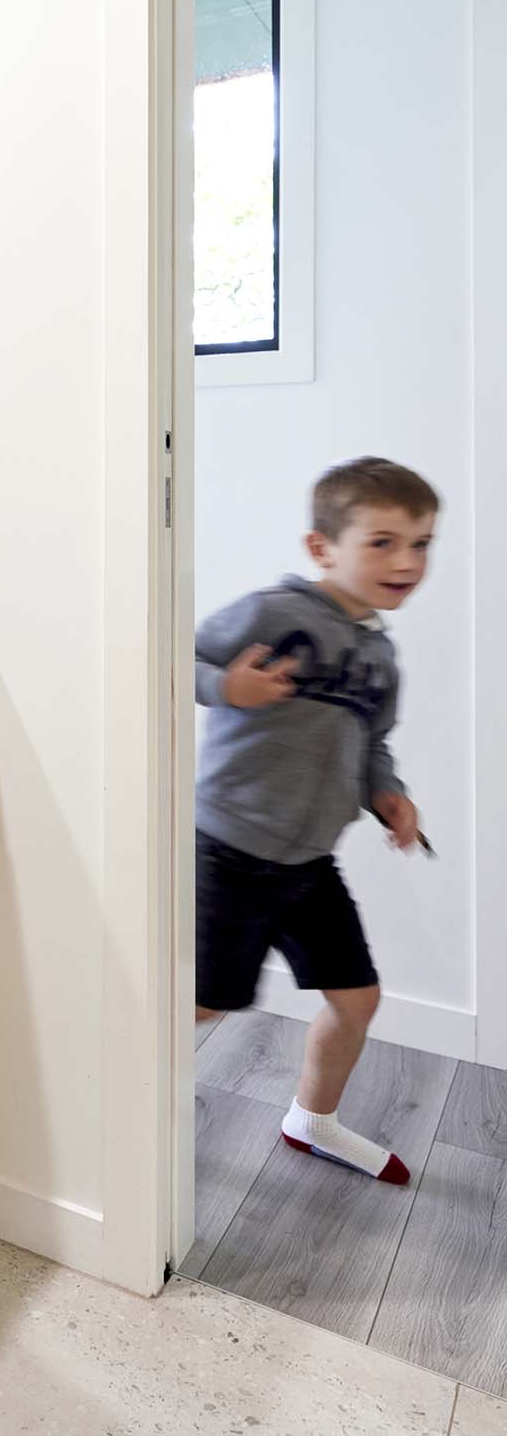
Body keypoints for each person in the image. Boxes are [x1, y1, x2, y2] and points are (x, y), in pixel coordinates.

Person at [195, 456, 440, 1183]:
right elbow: (167, 656)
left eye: (422, 543)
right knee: (204, 1004)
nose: (407, 561)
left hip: (308, 864)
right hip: (229, 850)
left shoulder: (380, 656)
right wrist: (225, 685)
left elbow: (372, 744)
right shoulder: (275, 612)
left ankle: (312, 1119)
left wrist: (387, 795)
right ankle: (108, 1110)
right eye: (383, 541)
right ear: (321, 547)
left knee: (358, 997)